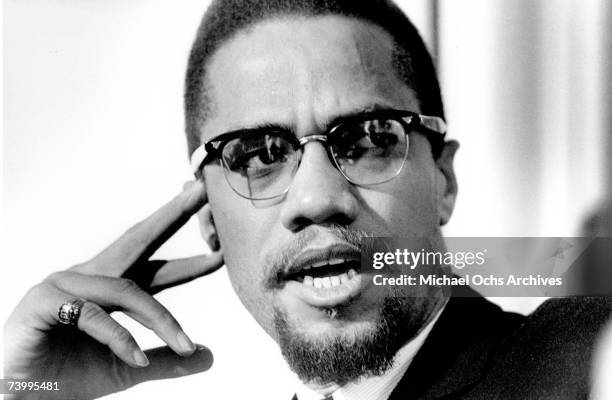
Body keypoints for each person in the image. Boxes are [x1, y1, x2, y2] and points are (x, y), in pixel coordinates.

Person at [4, 0, 611, 399]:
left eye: (372, 139)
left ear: (444, 181)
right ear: (209, 219)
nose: (318, 198)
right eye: (259, 154)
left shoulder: (578, 361)